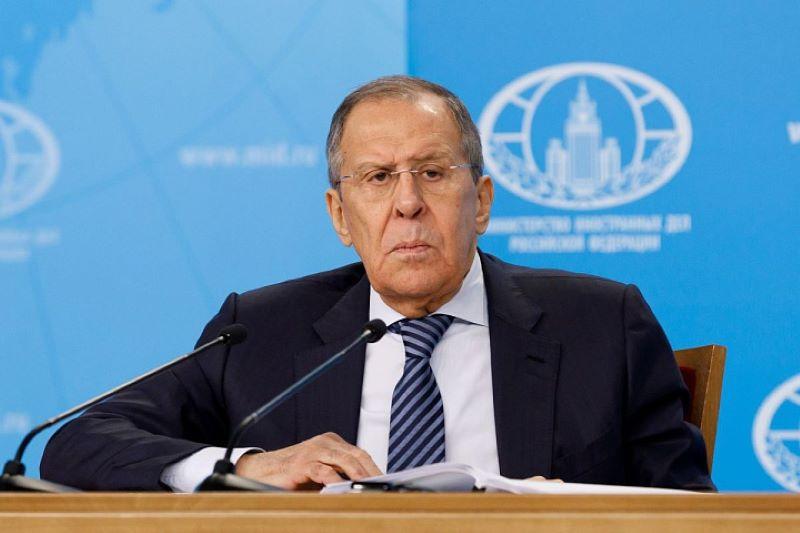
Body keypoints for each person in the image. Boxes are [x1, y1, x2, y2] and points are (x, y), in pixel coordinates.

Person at [40, 75, 714, 492]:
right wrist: (246, 466)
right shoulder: (259, 332)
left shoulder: (602, 323)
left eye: (433, 172)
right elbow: (79, 442)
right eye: (378, 177)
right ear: (341, 215)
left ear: (481, 201)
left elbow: (689, 513)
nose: (408, 203)